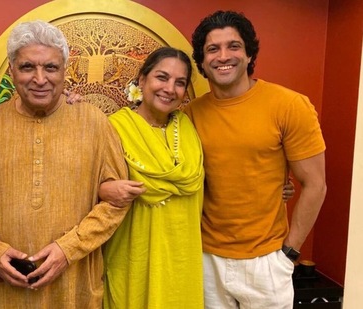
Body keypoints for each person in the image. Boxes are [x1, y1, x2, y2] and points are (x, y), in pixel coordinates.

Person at [0, 20, 130, 308]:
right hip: (4, 293)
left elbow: (116, 202)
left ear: (65, 71)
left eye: (51, 68)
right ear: (12, 70)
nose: (40, 79)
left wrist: (67, 250)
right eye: (28, 67)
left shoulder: (94, 123)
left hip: (74, 289)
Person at [184, 10, 327, 308]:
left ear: (249, 55)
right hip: (205, 259)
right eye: (213, 49)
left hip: (266, 264)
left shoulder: (289, 105)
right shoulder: (190, 114)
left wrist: (288, 255)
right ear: (202, 63)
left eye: (234, 46)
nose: (223, 56)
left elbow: (315, 184)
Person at [99, 47, 205, 308]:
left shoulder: (190, 127)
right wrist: (102, 190)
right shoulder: (113, 128)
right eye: (162, 77)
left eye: (180, 83)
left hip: (182, 261)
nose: (170, 88)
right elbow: (83, 185)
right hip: (134, 257)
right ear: (142, 79)